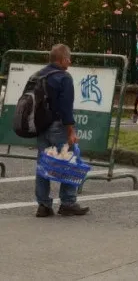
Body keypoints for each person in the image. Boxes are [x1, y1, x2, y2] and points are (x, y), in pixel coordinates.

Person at [35, 44, 89, 217]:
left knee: (43, 164)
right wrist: (71, 131)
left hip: (41, 126)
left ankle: (43, 205)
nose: (70, 61)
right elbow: (66, 108)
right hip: (58, 125)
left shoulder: (38, 75)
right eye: (68, 58)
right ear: (62, 59)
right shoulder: (64, 78)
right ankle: (67, 202)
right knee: (69, 161)